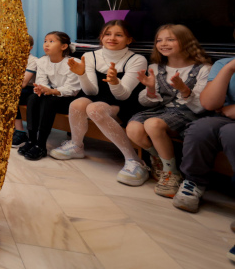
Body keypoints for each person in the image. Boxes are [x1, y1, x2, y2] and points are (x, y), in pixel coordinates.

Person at [49, 20, 149, 186]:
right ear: (101, 38)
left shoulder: (137, 59)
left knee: (94, 109)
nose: (112, 38)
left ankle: (134, 160)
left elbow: (123, 96)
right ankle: (76, 145)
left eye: (119, 35)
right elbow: (91, 92)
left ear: (129, 40)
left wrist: (114, 82)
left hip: (123, 102)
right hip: (98, 98)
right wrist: (81, 74)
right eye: (107, 34)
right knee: (78, 103)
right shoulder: (89, 56)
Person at [126, 24, 212, 198]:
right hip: (161, 110)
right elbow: (145, 102)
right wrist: (150, 89)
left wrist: (184, 90)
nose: (163, 43)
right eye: (159, 40)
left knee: (153, 124)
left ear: (186, 42)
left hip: (187, 112)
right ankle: (158, 158)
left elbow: (200, 106)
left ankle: (171, 172)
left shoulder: (203, 69)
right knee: (133, 129)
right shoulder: (156, 68)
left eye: (170, 39)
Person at [173, 28, 235, 214]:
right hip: (223, 116)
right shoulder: (223, 64)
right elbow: (209, 103)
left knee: (231, 133)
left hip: (229, 120)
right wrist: (229, 68)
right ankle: (193, 183)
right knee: (200, 128)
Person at [18, 32, 80, 161]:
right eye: (45, 41)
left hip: (68, 98)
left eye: (51, 41)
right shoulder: (42, 61)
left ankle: (41, 144)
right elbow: (41, 81)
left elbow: (72, 89)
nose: (46, 44)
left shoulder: (73, 63)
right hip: (50, 94)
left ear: (63, 47)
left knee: (49, 101)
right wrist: (41, 88)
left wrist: (51, 91)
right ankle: (31, 139)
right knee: (33, 98)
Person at [13, 35, 37, 147]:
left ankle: (20, 131)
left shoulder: (33, 61)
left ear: (30, 47)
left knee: (10, 96)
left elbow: (23, 83)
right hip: (14, 87)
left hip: (30, 89)